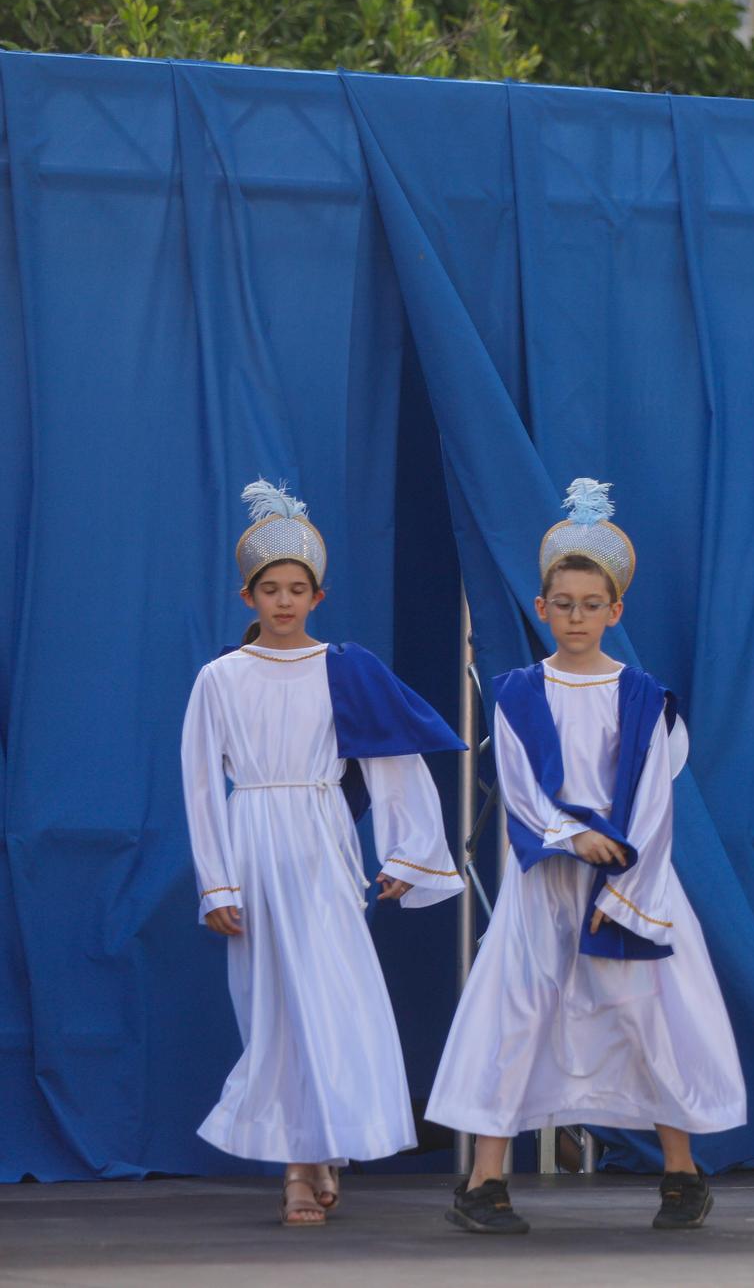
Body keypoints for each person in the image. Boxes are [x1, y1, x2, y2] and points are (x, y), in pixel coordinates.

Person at [428, 479, 745, 1235]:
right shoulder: (514, 694)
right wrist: (573, 837)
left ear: (615, 610)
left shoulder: (644, 696)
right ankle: (485, 1180)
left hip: (628, 881)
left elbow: (655, 799)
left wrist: (624, 875)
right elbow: (518, 788)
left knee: (649, 1017)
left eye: (590, 603)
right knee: (515, 1016)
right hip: (547, 882)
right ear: (542, 610)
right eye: (562, 603)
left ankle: (681, 1172)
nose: (576, 616)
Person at [182, 480, 465, 1228]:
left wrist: (407, 851)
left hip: (321, 835)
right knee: (275, 1004)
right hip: (254, 841)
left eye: (296, 588)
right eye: (270, 588)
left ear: (319, 594)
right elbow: (202, 788)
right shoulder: (220, 679)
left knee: (334, 999)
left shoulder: (344, 668)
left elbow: (391, 760)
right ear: (248, 595)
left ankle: (321, 1146)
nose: (283, 600)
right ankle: (299, 1166)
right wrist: (216, 883)